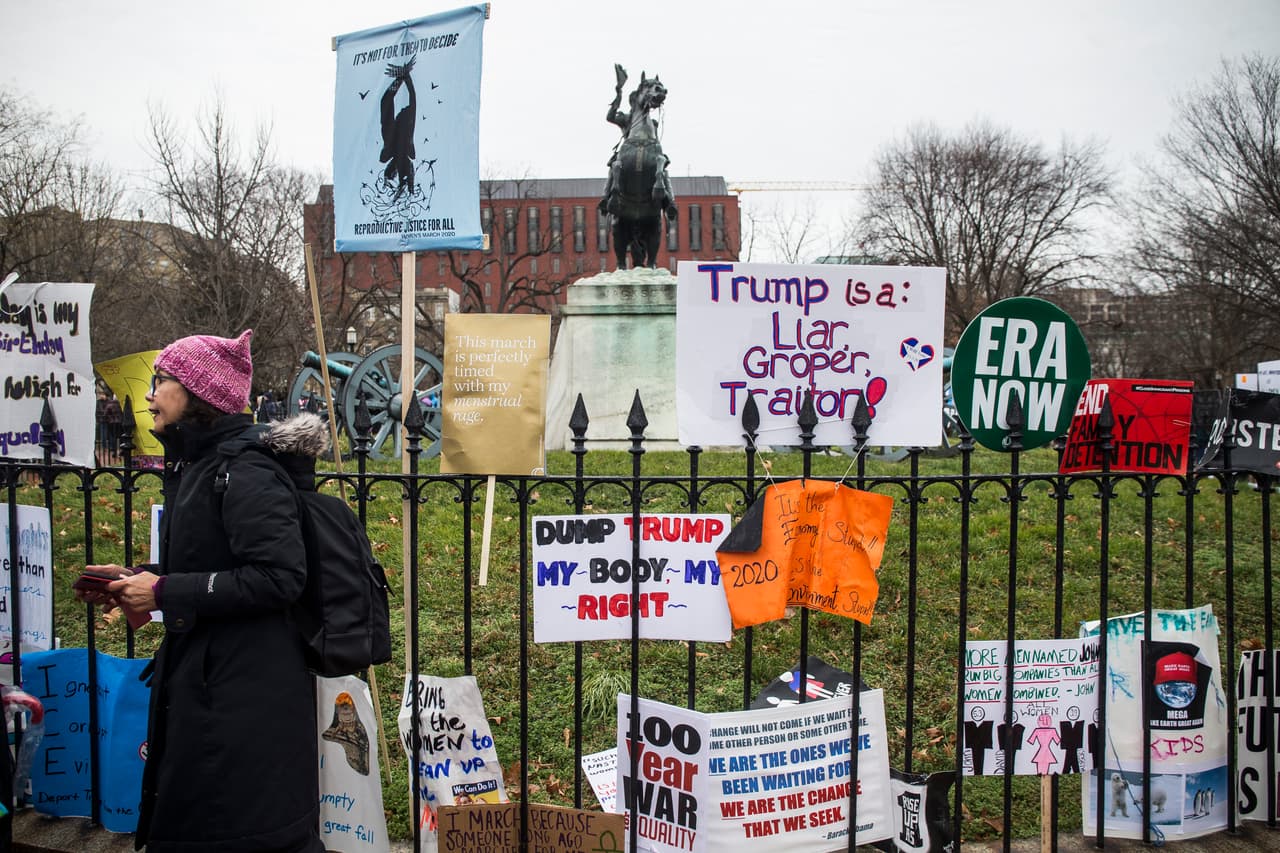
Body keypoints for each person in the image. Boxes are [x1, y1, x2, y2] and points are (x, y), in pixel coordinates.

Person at [76, 329, 323, 853]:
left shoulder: (247, 470)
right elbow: (208, 564)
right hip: (209, 687)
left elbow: (280, 576)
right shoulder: (199, 465)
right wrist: (135, 578)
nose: (148, 394)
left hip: (244, 705)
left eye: (160, 381)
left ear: (198, 393)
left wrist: (164, 592)